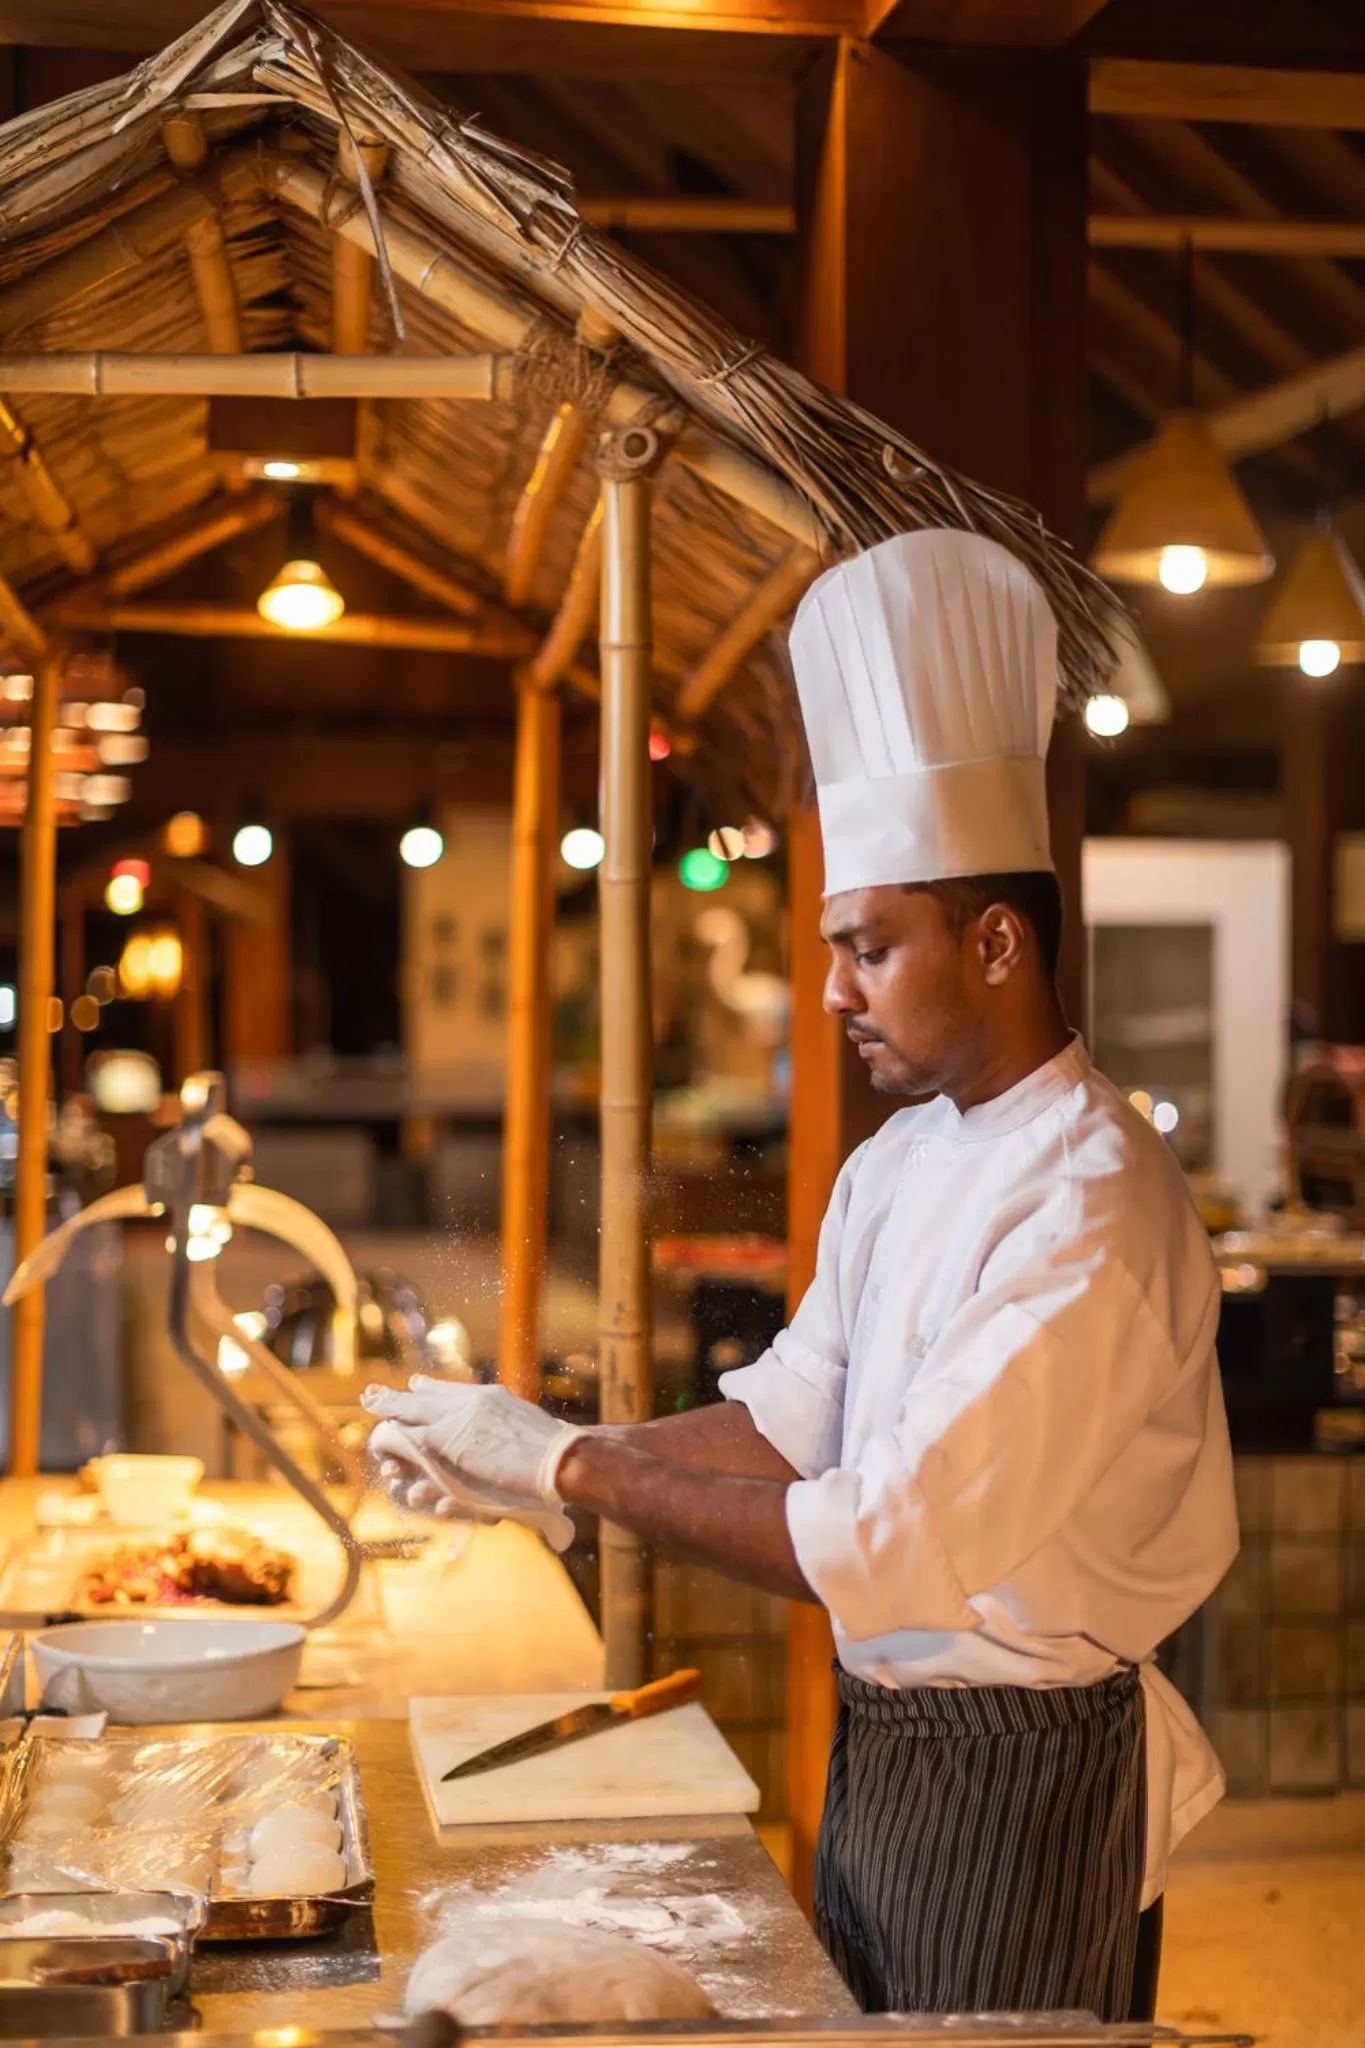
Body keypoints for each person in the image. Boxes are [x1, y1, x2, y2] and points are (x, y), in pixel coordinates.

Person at [364, 529, 1238, 2023]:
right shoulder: (899, 1164)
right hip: (891, 1744)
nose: (831, 987)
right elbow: (793, 1419)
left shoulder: (1093, 1200)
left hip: (1026, 1773)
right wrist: (535, 1453)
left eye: (871, 947)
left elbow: (885, 1537)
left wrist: (574, 1470)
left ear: (1002, 939)